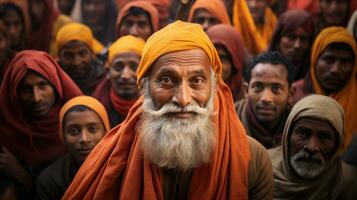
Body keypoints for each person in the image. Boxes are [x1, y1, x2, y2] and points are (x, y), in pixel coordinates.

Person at [63, 21, 273, 199]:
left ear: (214, 86)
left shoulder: (252, 160)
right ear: (144, 87)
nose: (183, 98)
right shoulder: (113, 157)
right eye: (166, 80)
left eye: (197, 80)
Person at [0, 50, 82, 196]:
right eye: (26, 89)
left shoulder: (78, 123)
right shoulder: (5, 129)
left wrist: (22, 176)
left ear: (56, 86)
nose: (36, 97)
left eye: (42, 85)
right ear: (14, 93)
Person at [269, 94, 357, 199]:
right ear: (287, 135)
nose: (311, 147)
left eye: (324, 137)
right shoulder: (261, 169)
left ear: (337, 144)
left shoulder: (350, 183)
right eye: (303, 133)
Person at [290, 27, 357, 150]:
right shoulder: (293, 94)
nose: (335, 70)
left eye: (345, 62)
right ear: (315, 59)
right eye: (329, 60)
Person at [36, 96, 109, 200]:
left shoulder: (121, 169)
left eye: (92, 129)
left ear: (106, 132)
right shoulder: (51, 178)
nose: (84, 139)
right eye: (74, 131)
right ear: (63, 136)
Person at [236, 51, 294, 149]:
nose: (266, 98)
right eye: (258, 87)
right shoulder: (228, 121)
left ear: (290, 93)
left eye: (276, 89)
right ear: (246, 90)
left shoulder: (297, 126)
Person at [93, 35, 145, 128]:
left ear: (146, 72)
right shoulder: (94, 109)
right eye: (118, 67)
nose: (126, 75)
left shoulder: (158, 108)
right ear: (108, 71)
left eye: (134, 67)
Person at [56, 22, 106, 95]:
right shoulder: (53, 81)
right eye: (69, 55)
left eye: (82, 54)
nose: (77, 62)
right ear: (59, 56)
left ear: (91, 53)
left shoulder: (105, 79)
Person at [269, 10, 315, 81]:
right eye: (291, 37)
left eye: (303, 39)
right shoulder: (260, 68)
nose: (297, 45)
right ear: (278, 38)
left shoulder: (315, 76)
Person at [207, 24, 248, 101]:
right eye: (211, 58)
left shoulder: (246, 98)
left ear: (235, 63)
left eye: (222, 58)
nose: (216, 66)